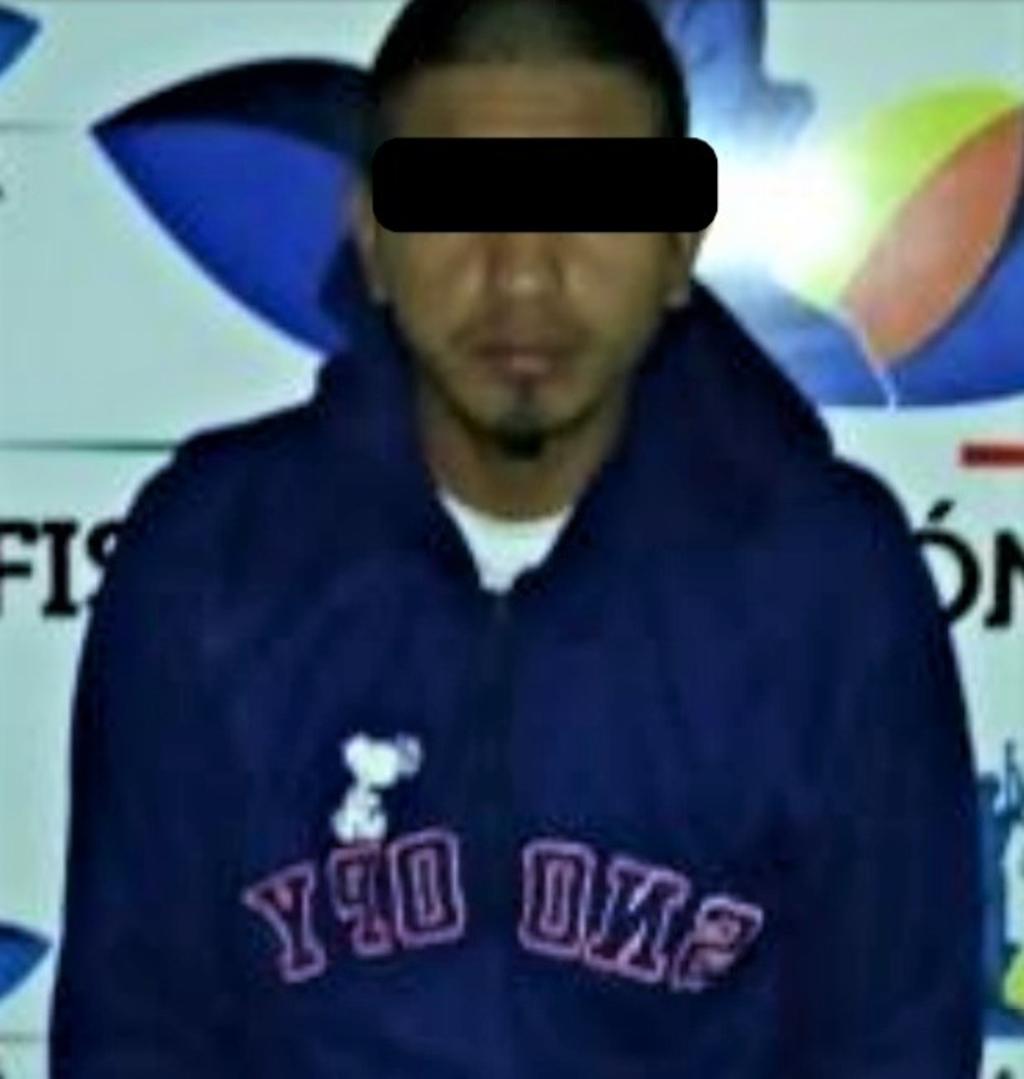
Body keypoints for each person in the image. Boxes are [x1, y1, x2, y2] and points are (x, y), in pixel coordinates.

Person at [50, 0, 982, 1076]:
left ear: (679, 243)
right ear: (374, 237)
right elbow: (135, 1032)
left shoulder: (829, 585)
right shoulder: (211, 559)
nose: (523, 275)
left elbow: (895, 1046)